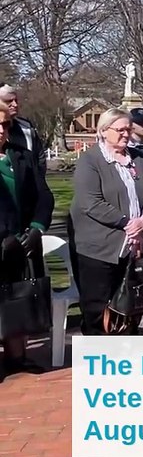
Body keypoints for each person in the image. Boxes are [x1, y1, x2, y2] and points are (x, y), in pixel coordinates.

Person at [69, 108, 143, 336]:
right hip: (99, 248)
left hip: (138, 247)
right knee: (98, 309)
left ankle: (126, 357)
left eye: (128, 129)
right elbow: (89, 202)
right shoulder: (90, 161)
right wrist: (127, 223)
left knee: (132, 305)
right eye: (120, 130)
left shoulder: (141, 159)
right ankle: (99, 361)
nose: (126, 134)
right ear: (103, 131)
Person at [0, 109, 53, 377]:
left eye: (4, 125)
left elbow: (43, 196)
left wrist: (36, 228)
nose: (1, 130)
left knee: (19, 297)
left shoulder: (21, 155)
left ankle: (17, 358)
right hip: (2, 240)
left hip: (23, 241)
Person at [0, 84, 47, 176]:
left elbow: (39, 158)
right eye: (8, 101)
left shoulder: (27, 127)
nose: (15, 105)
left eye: (16, 100)